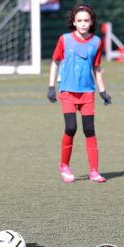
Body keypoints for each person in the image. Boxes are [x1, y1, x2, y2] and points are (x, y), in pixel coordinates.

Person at [47, 4, 111, 183]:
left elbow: (97, 68)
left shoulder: (96, 42)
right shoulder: (65, 39)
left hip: (87, 93)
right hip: (67, 91)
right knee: (71, 128)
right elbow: (55, 62)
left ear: (91, 23)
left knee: (89, 130)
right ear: (73, 22)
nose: (83, 24)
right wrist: (51, 86)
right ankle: (64, 166)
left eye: (86, 21)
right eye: (79, 20)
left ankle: (94, 171)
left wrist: (103, 91)